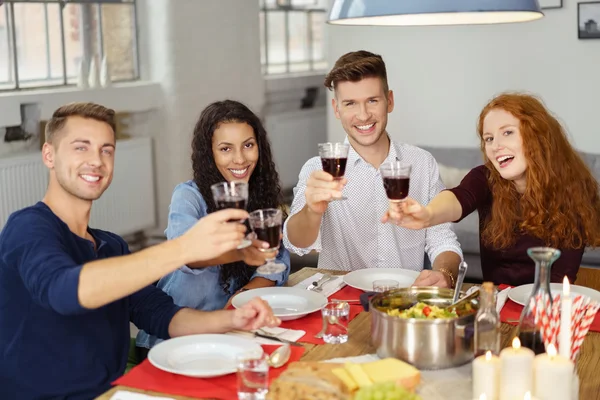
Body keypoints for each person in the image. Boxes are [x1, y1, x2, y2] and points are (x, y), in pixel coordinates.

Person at [0, 102, 280, 399]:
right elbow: (65, 291)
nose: (96, 160)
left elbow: (162, 315)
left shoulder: (111, 246)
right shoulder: (27, 227)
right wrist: (182, 248)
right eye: (81, 147)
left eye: (106, 149)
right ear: (49, 155)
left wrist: (233, 320)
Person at [283, 50, 463, 288]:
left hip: (405, 301)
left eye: (372, 100)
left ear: (390, 101)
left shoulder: (422, 163)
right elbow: (297, 244)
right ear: (337, 109)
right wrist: (312, 211)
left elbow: (443, 239)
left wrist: (444, 274)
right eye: (350, 104)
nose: (363, 115)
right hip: (341, 302)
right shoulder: (317, 169)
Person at [386, 92, 600, 285]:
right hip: (495, 305)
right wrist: (428, 214)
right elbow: (458, 198)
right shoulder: (485, 177)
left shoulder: (576, 190)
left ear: (537, 135)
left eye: (507, 133)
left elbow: (562, 280)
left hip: (545, 306)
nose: (495, 146)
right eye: (489, 138)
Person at [136, 100, 290, 351]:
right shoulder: (188, 197)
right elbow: (184, 255)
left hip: (233, 332)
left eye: (248, 145)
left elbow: (275, 262)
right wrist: (240, 252)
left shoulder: (261, 195)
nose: (240, 159)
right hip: (173, 340)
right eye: (226, 149)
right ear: (210, 153)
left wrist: (241, 299)